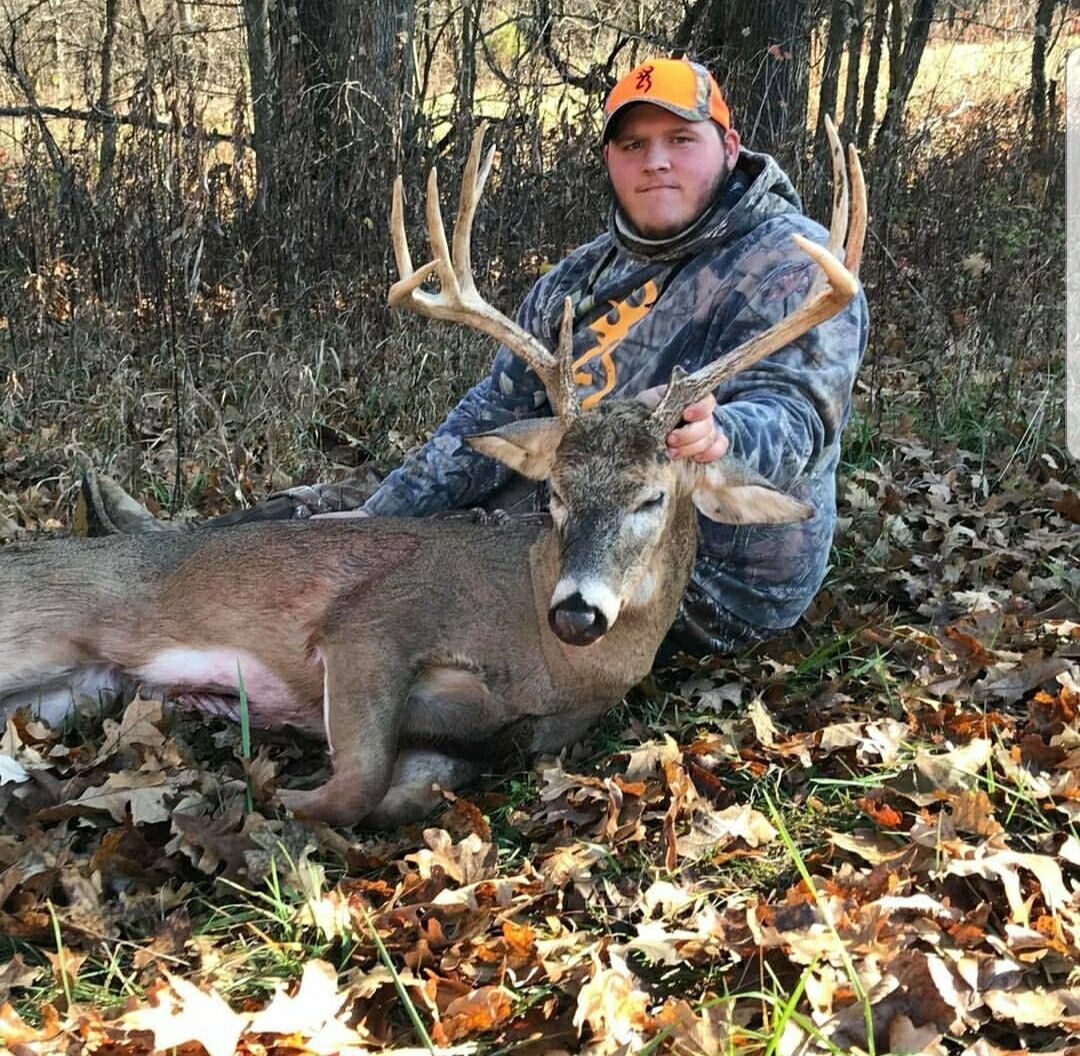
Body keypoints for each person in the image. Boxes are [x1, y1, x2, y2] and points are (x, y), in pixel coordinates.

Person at [233, 57, 869, 657]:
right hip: (576, 511)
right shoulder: (576, 279)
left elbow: (798, 416)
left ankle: (259, 644)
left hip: (716, 575)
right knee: (349, 507)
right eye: (633, 145)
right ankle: (222, 554)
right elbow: (495, 411)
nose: (656, 162)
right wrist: (374, 518)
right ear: (609, 160)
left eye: (681, 139)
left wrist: (722, 434)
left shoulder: (797, 266)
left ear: (729, 148)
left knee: (416, 578)